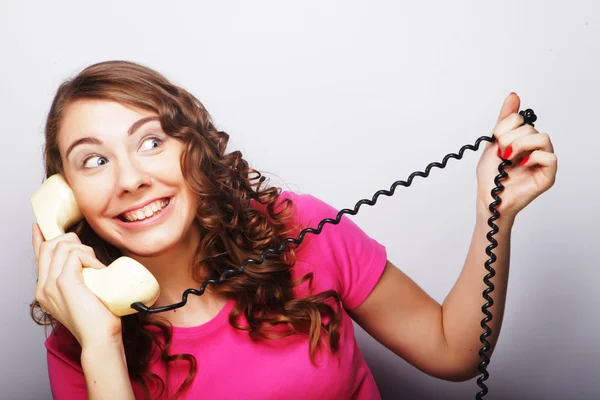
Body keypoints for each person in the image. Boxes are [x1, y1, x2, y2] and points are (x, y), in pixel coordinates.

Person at [30, 60, 558, 400]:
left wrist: (496, 214)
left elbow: (453, 349)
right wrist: (100, 341)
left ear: (193, 148)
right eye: (94, 161)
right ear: (67, 198)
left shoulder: (298, 227)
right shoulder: (83, 340)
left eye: (150, 142)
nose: (130, 180)